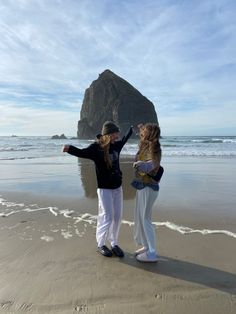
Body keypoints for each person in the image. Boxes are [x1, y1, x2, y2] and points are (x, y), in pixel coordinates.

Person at [63, 121, 133, 258]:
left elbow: (124, 140)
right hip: (105, 189)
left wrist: (131, 130)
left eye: (118, 133)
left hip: (118, 188)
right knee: (107, 216)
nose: (118, 135)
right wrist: (69, 148)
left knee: (117, 217)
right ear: (108, 134)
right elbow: (82, 153)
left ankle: (114, 243)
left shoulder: (116, 146)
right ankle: (101, 244)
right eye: (115, 133)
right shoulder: (97, 148)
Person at [131, 123, 163, 263]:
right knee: (142, 217)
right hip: (143, 186)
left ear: (149, 133)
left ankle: (152, 253)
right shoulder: (145, 145)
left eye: (144, 131)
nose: (141, 133)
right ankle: (146, 246)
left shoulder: (154, 147)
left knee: (145, 219)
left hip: (149, 187)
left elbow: (154, 164)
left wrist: (140, 165)